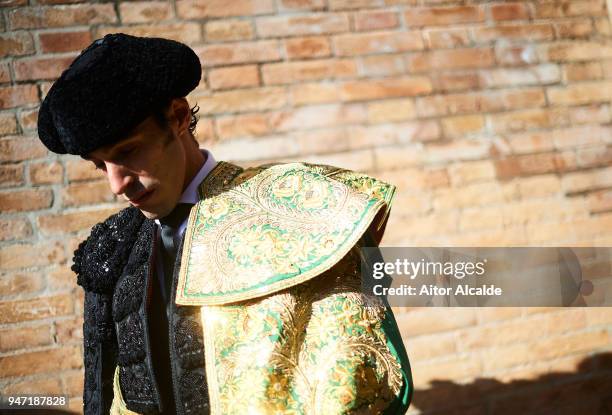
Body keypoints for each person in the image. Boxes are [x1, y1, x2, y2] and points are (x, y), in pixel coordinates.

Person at [37, 33, 413, 415]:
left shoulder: (295, 209)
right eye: (100, 165)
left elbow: (355, 373)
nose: (117, 184)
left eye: (129, 152)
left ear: (179, 117)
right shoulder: (115, 245)